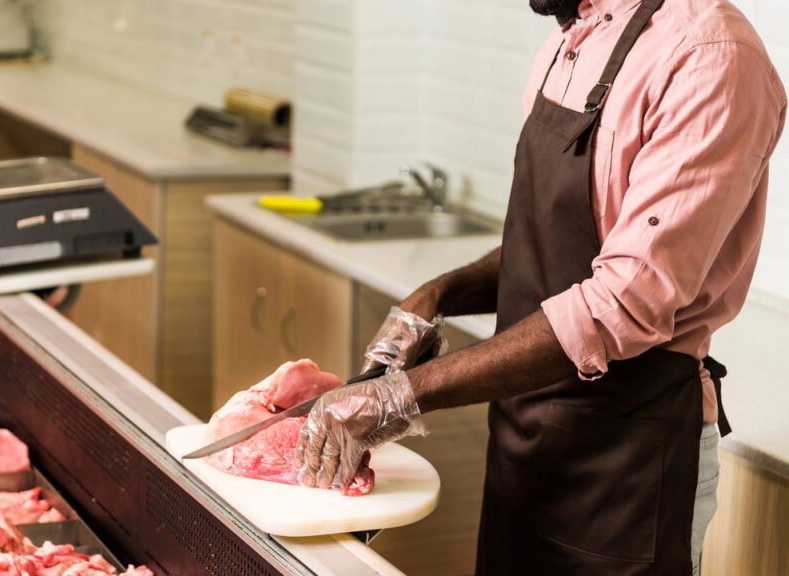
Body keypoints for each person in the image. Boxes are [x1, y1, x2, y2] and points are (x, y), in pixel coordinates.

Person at [294, 0, 786, 574]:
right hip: (524, 449)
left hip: (625, 467)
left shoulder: (711, 58)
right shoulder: (577, 37)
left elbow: (625, 300)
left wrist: (400, 395)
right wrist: (438, 296)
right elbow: (554, 244)